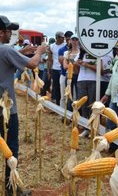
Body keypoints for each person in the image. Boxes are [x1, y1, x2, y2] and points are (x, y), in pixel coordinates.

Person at [0, 15, 47, 196]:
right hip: (6, 111)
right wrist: (39, 51)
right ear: (1, 32)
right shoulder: (5, 50)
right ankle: (12, 190)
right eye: (8, 30)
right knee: (11, 150)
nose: (11, 33)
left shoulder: (7, 50)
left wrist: (23, 51)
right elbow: (33, 63)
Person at [48, 31, 65, 105]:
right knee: (56, 86)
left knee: (63, 86)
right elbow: (50, 59)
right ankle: (57, 102)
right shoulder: (52, 46)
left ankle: (63, 103)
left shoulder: (65, 45)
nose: (63, 38)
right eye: (62, 37)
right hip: (55, 69)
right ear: (57, 37)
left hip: (63, 68)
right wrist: (49, 71)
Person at [58, 30, 73, 108]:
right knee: (63, 95)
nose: (69, 41)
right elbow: (62, 62)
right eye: (67, 40)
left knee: (72, 96)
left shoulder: (77, 50)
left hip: (73, 76)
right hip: (64, 74)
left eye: (70, 39)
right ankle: (62, 113)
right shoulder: (62, 50)